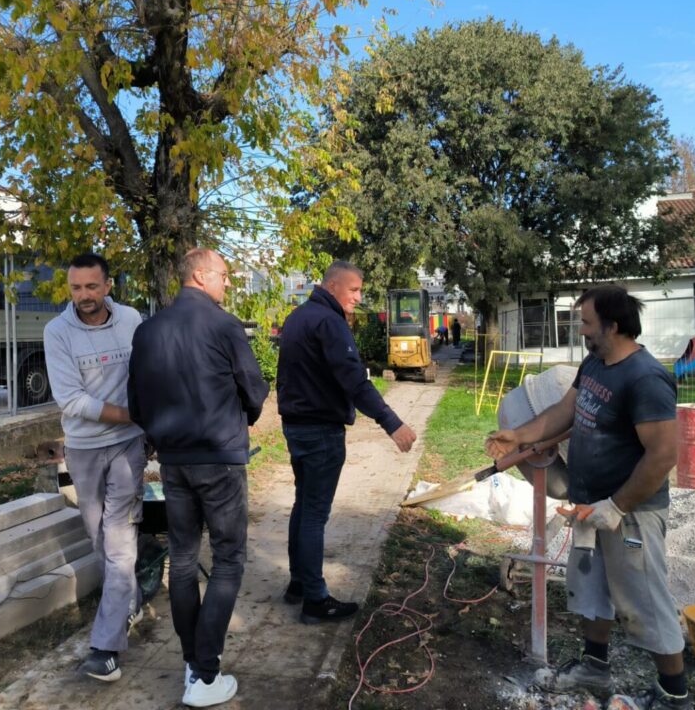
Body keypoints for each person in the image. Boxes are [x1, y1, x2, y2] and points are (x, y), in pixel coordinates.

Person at [485, 285, 690, 710]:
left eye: (586, 322)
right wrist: (519, 435)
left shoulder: (646, 378)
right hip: (587, 504)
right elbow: (565, 412)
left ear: (613, 326)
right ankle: (595, 666)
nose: (580, 330)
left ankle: (674, 694)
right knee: (590, 590)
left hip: (630, 512)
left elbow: (662, 455)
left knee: (644, 599)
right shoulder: (595, 364)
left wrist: (616, 507)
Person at [128, 248, 269, 708]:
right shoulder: (224, 325)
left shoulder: (147, 331)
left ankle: (194, 663)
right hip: (219, 458)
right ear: (200, 275)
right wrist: (242, 419)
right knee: (228, 558)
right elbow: (254, 388)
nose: (228, 283)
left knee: (185, 560)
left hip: (174, 460)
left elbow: (137, 403)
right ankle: (206, 673)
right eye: (224, 275)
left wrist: (161, 439)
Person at [277, 260, 418, 624]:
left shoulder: (297, 318)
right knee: (314, 513)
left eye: (360, 290)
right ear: (332, 286)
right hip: (320, 430)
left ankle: (298, 583)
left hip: (296, 426)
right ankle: (315, 599)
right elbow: (354, 381)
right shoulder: (329, 321)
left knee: (303, 505)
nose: (358, 297)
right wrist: (392, 423)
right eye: (353, 290)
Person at [44, 252, 147, 682]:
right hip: (84, 449)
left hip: (127, 447)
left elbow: (146, 373)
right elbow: (72, 400)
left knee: (119, 541)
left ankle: (106, 647)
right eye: (76, 288)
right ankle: (131, 601)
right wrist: (134, 414)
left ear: (107, 286)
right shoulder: (57, 331)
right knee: (98, 538)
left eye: (91, 286)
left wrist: (146, 422)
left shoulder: (131, 320)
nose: (84, 295)